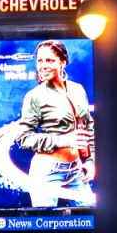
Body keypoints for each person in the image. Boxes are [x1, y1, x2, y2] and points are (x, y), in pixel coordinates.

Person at [15, 40, 95, 208]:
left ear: (63, 62)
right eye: (40, 61)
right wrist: (64, 140)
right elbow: (23, 138)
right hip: (47, 171)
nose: (43, 66)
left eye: (50, 60)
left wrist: (90, 161)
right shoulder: (34, 96)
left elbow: (89, 126)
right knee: (46, 228)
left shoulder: (78, 89)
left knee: (88, 228)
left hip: (77, 171)